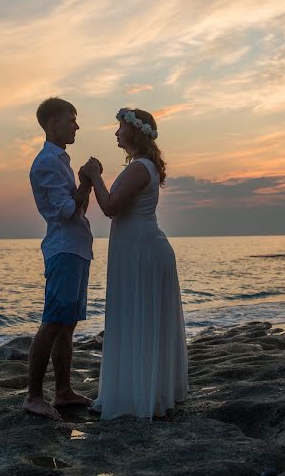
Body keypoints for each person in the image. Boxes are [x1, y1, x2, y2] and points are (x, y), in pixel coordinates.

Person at [82, 108, 188, 420]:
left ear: (134, 132)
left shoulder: (140, 168)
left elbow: (111, 207)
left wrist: (94, 176)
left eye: (119, 128)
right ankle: (144, 389)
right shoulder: (143, 167)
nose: (115, 133)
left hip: (141, 251)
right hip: (139, 248)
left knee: (136, 318)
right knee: (138, 319)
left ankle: (137, 395)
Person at [23, 97, 98, 420]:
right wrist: (87, 181)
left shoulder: (60, 161)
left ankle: (63, 391)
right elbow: (67, 211)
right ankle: (34, 396)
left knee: (67, 325)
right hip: (64, 249)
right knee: (53, 322)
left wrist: (85, 185)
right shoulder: (47, 163)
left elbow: (76, 208)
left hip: (77, 248)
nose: (77, 125)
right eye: (71, 119)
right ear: (52, 122)